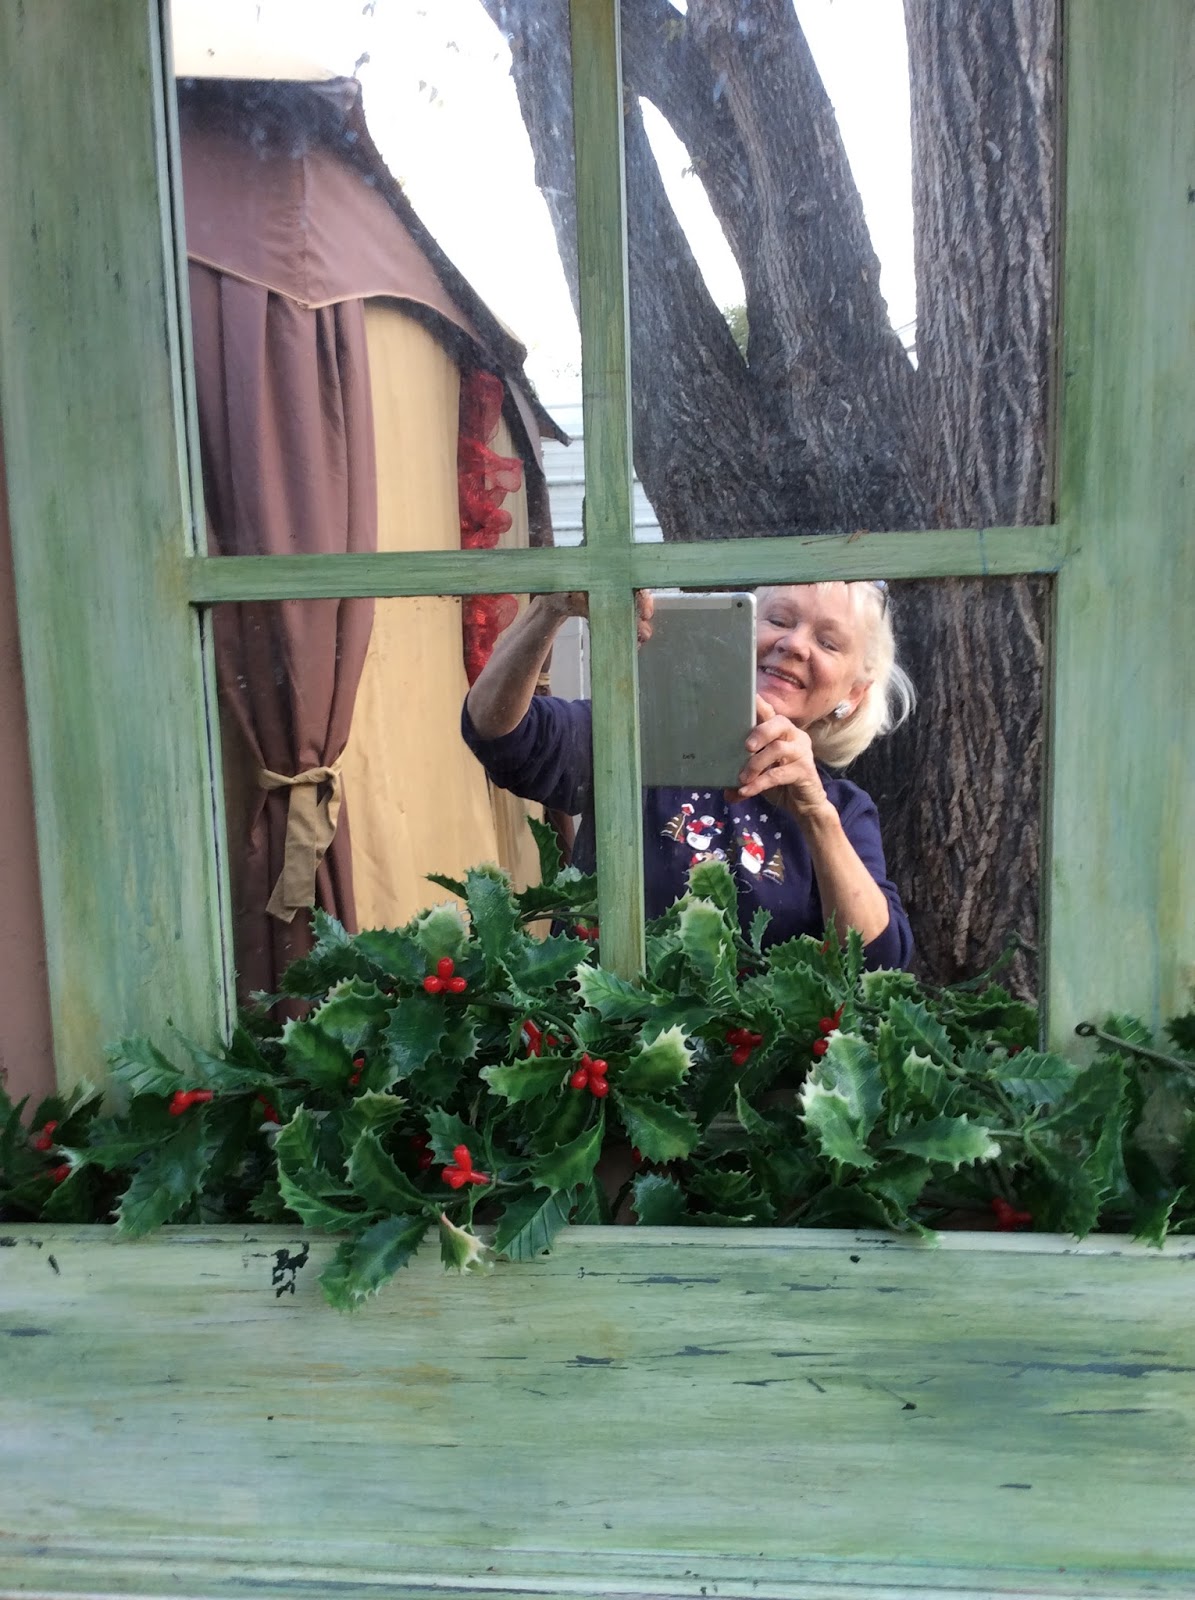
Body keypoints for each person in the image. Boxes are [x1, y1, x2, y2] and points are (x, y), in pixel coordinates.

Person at [461, 582, 915, 969]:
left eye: (829, 643)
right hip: (603, 1036)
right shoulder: (636, 735)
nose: (795, 644)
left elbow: (878, 962)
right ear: (738, 631)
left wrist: (816, 815)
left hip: (747, 1047)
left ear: (854, 694)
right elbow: (500, 735)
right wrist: (549, 611)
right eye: (778, 620)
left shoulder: (842, 809)